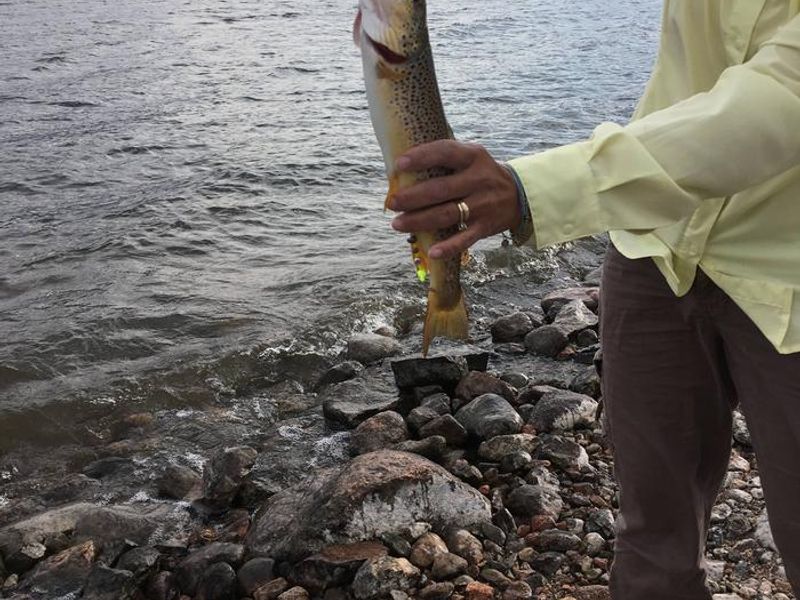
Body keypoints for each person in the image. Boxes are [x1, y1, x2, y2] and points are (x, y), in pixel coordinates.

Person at [387, 2, 800, 599]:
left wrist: (532, 190)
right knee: (651, 533)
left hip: (787, 270)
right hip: (654, 246)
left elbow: (777, 102)